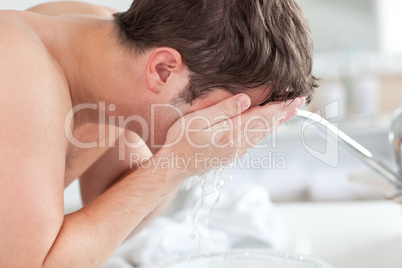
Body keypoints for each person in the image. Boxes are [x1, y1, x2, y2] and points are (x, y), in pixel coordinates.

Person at [0, 0, 316, 266]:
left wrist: (183, 160)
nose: (229, 128)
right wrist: (176, 163)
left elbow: (112, 204)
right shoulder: (17, 69)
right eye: (232, 111)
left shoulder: (101, 54)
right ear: (163, 69)